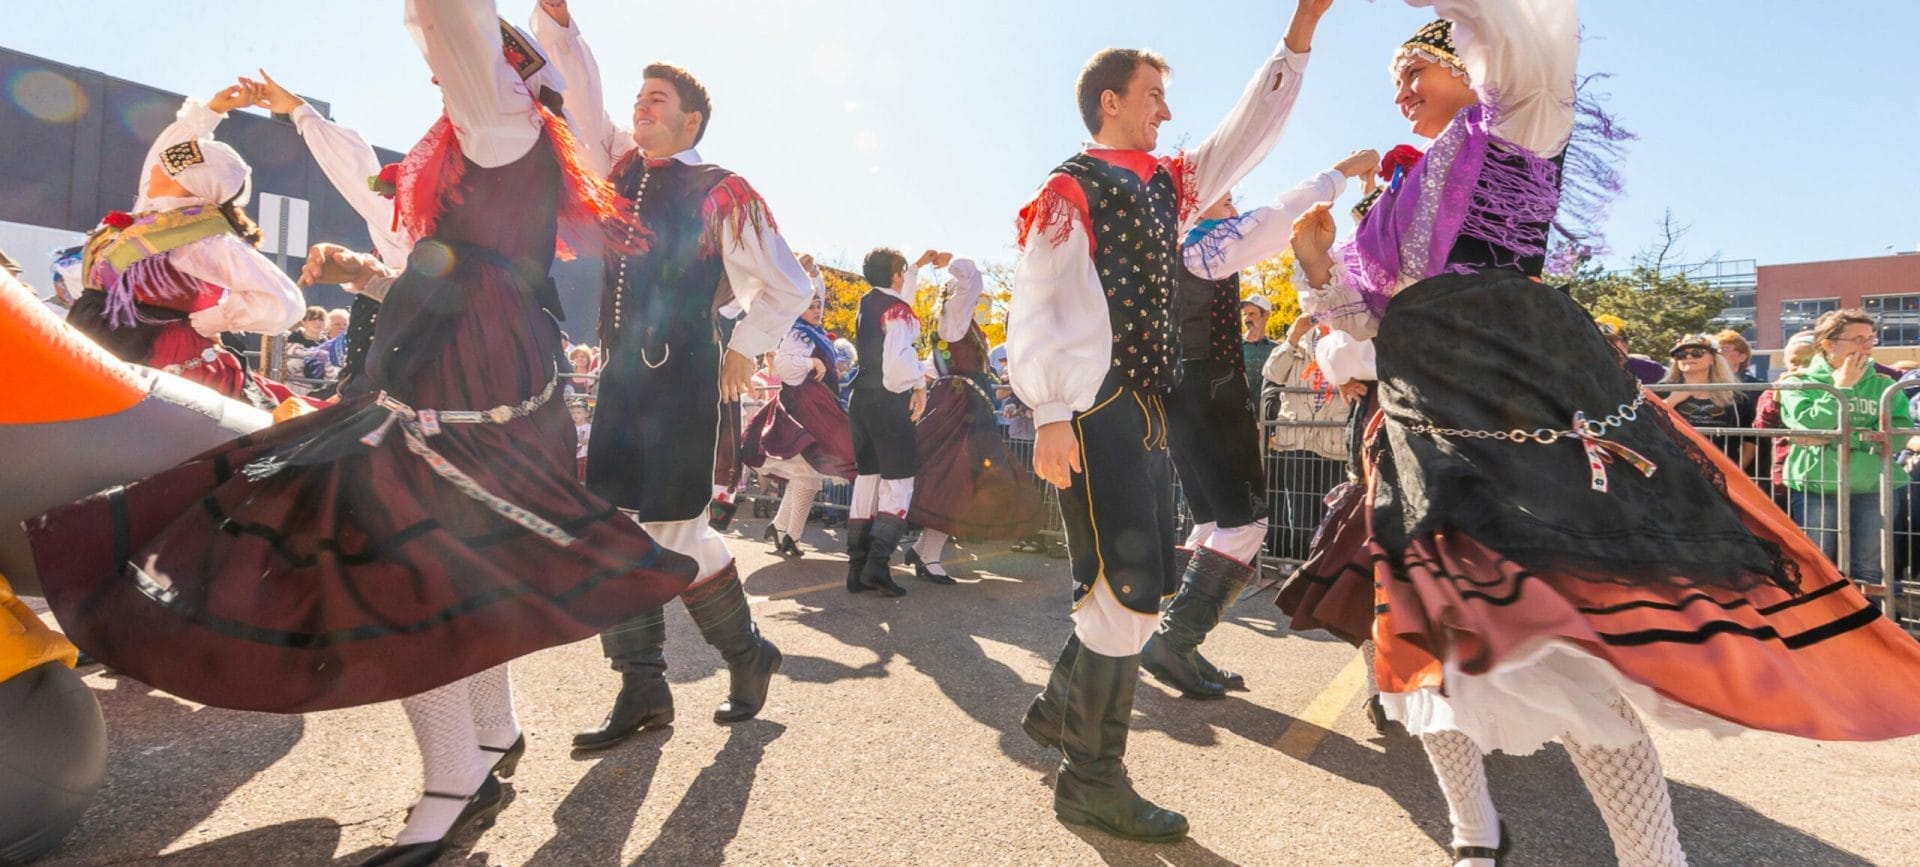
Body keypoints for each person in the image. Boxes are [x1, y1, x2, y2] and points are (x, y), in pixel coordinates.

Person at [28, 4, 707, 861]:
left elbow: (453, 28)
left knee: (394, 560)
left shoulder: (500, 123)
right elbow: (380, 193)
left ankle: (456, 778)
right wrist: (304, 117)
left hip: (462, 371)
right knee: (460, 554)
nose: (436, 69)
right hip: (472, 357)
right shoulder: (487, 142)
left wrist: (462, 35)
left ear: (509, 71)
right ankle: (491, 739)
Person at [1279, 7, 1920, 867]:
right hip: (1420, 436)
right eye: (1392, 75)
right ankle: (1476, 838)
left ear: (1472, 64)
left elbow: (1520, 31)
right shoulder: (1394, 203)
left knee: (1569, 661)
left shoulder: (1518, 121)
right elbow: (1366, 325)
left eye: (1416, 68)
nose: (1399, 88)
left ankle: (1656, 860)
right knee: (1427, 652)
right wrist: (1319, 268)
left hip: (1518, 428)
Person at [1009, 0, 1329, 842]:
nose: (1166, 108)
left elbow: (1244, 131)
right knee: (1121, 589)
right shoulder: (1069, 187)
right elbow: (1038, 304)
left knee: (1135, 587)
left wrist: (1300, 34)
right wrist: (1047, 411)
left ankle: (1056, 711)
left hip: (1142, 407)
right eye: (1153, 92)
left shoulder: (1163, 183)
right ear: (1110, 100)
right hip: (1094, 405)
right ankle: (1090, 781)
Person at [529, 0, 811, 750]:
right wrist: (559, 25)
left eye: (658, 100)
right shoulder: (621, 165)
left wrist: (747, 343)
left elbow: (787, 284)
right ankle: (646, 688)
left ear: (690, 122)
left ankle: (744, 655)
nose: (640, 108)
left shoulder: (723, 188)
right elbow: (582, 99)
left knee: (675, 525)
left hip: (686, 373)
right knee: (618, 522)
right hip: (626, 374)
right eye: (639, 98)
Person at [1147, 151, 1375, 701]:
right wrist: (1339, 173)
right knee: (1246, 525)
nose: (1232, 200)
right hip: (1210, 390)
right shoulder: (1202, 241)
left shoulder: (1170, 246)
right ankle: (1174, 641)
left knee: (1207, 524)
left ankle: (1169, 641)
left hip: (1184, 390)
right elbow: (1279, 215)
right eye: (1222, 191)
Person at [61, 82, 307, 412]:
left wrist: (207, 322)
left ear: (189, 181)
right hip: (102, 338)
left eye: (169, 165)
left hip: (147, 352)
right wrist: (211, 112)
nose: (156, 167)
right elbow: (167, 152)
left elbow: (285, 303)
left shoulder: (205, 240)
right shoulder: (155, 216)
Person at [906, 251, 1046, 582]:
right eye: (971, 298)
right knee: (956, 480)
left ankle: (923, 548)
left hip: (963, 403)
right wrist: (950, 263)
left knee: (954, 479)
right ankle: (928, 556)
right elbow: (972, 278)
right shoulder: (954, 317)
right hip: (961, 406)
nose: (977, 301)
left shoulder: (954, 324)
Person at [1782, 309, 1914, 593]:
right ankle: (1817, 625)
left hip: (1874, 487)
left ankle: (1870, 629)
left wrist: (1843, 440)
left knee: (1870, 567)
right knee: (1816, 565)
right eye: (1858, 339)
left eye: (1871, 339)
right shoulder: (1798, 383)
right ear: (1829, 344)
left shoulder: (1884, 385)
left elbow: (1899, 434)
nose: (1867, 346)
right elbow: (1810, 426)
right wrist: (1843, 388)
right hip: (1817, 487)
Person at [745, 255, 856, 558]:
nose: (817, 309)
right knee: (809, 472)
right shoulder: (797, 332)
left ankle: (784, 529)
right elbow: (782, 364)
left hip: (816, 405)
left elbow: (811, 292)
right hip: (804, 407)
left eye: (819, 304)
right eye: (811, 305)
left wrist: (813, 275)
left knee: (807, 473)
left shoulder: (814, 332)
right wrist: (812, 361)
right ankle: (788, 533)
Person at [843, 248, 936, 596]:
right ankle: (877, 566)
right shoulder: (897, 311)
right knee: (898, 482)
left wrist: (918, 266)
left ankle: (857, 568)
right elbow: (896, 367)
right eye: (902, 271)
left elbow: (900, 300)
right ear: (895, 275)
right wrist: (919, 382)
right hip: (886, 401)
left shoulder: (870, 303)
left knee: (867, 480)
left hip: (861, 400)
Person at [1659, 333, 1757, 476]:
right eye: (1681, 354)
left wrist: (1736, 472)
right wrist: (1670, 402)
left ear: (1713, 358)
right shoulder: (1662, 390)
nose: (1688, 357)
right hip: (1673, 472)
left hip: (1720, 473)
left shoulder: (1734, 395)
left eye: (1697, 353)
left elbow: (1750, 439)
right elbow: (1647, 424)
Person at [1596, 315, 1665, 385]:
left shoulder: (1649, 368)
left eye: (1611, 340)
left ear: (1624, 342)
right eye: (1600, 341)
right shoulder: (1591, 371)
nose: (1606, 345)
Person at [1238, 294, 1279, 397]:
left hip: (1267, 410)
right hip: (1239, 410)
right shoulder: (1234, 348)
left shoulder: (1277, 350)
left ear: (1265, 315)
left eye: (1252, 314)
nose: (1247, 319)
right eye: (1244, 314)